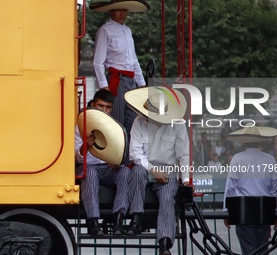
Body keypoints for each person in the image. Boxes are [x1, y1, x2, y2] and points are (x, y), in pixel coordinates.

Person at [124, 86, 191, 255]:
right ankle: (136, 218)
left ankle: (164, 243)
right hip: (145, 167)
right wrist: (152, 170)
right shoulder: (139, 122)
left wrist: (186, 181)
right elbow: (135, 154)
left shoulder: (178, 124)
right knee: (137, 171)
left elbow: (184, 154)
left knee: (168, 198)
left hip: (167, 171)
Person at [90, 0, 150, 139]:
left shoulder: (127, 31)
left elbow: (133, 60)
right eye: (118, 10)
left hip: (130, 80)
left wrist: (142, 84)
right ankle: (117, 158)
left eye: (125, 10)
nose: (122, 13)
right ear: (111, 11)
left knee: (133, 120)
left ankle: (129, 158)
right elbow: (98, 62)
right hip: (117, 80)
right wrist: (104, 86)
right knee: (117, 121)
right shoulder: (105, 30)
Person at [75, 89, 130, 235]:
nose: (104, 110)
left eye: (108, 107)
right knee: (90, 171)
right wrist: (86, 146)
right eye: (101, 106)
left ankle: (119, 219)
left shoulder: (114, 126)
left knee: (124, 171)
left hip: (108, 169)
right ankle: (93, 220)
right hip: (87, 168)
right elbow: (76, 158)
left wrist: (117, 162)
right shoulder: (80, 125)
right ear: (93, 104)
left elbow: (121, 151)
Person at [223, 124, 277, 255]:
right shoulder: (270, 159)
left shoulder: (237, 159)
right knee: (263, 248)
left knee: (249, 249)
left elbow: (230, 187)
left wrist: (226, 211)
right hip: (265, 209)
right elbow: (275, 189)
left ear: (244, 142)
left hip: (244, 209)